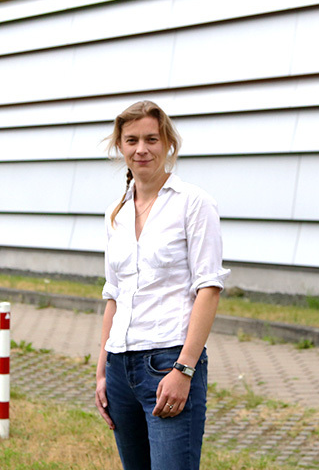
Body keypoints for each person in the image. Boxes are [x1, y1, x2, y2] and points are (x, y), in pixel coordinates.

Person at [94, 100, 229, 470]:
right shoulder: (115, 212)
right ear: (119, 147)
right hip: (120, 367)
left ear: (168, 142)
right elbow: (114, 294)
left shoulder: (194, 203)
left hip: (168, 362)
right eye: (132, 140)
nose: (142, 149)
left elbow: (209, 288)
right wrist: (103, 371)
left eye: (151, 139)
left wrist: (184, 369)